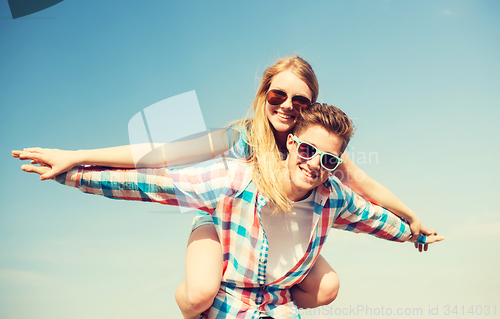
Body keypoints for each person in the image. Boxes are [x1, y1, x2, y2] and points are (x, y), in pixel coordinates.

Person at [12, 56, 436, 318]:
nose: (287, 106)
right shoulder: (237, 139)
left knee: (326, 287)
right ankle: (199, 311)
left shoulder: (320, 152)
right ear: (264, 95)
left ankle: (267, 296)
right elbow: (158, 157)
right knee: (200, 293)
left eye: (300, 101)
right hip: (219, 218)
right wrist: (78, 156)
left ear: (312, 107)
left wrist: (412, 218)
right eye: (278, 96)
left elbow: (365, 192)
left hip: (281, 234)